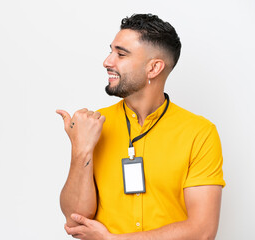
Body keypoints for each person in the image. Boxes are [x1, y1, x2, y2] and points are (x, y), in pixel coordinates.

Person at [56, 13, 225, 240]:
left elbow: (202, 231)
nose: (107, 61)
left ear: (153, 68)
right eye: (111, 51)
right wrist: (81, 149)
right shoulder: (93, 125)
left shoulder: (199, 133)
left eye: (121, 54)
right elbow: (76, 220)